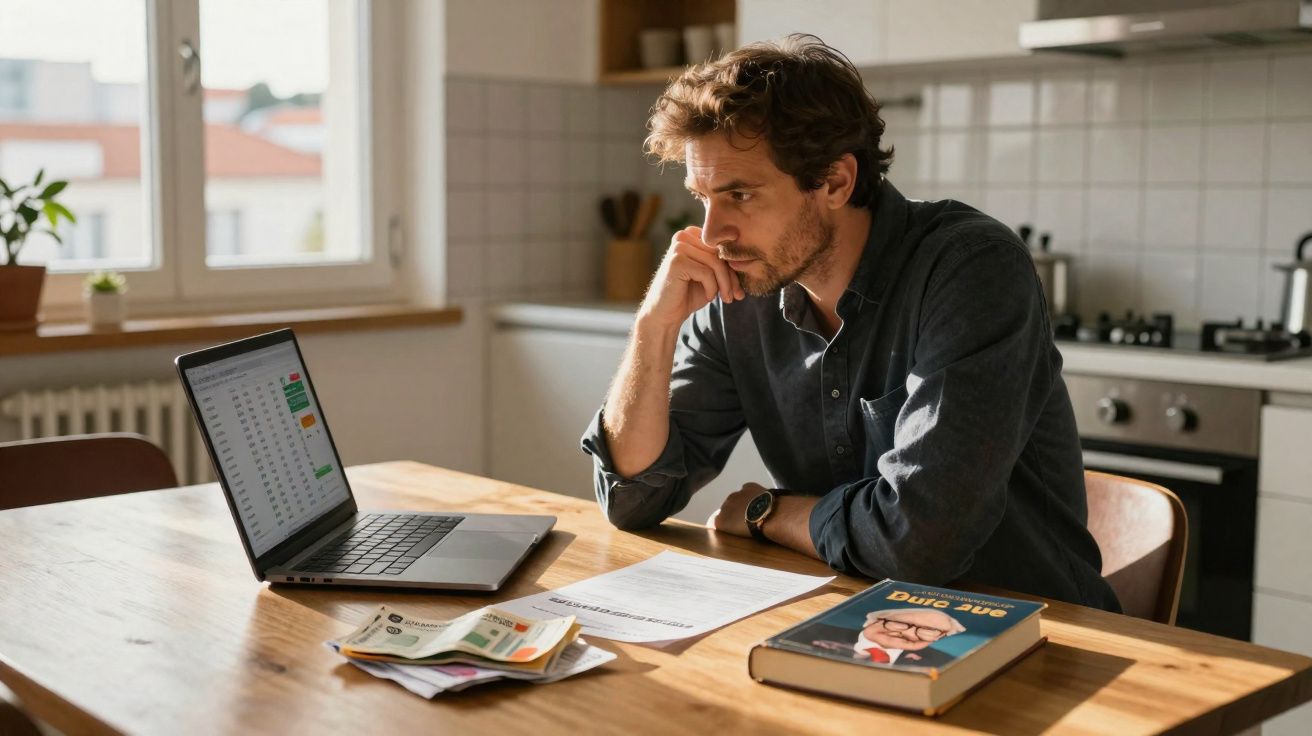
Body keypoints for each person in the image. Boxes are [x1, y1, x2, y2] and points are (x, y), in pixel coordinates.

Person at [579, 34, 1120, 612]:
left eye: (739, 194)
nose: (713, 234)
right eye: (702, 196)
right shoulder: (742, 289)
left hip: (1038, 633)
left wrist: (770, 512)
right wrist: (652, 328)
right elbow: (634, 498)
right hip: (852, 619)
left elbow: (920, 543)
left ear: (835, 181)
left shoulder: (969, 269)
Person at [803, 609, 966, 667]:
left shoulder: (946, 664)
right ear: (873, 620)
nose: (909, 634)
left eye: (929, 630)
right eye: (899, 623)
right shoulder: (810, 631)